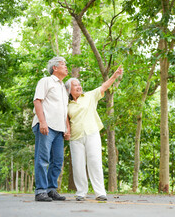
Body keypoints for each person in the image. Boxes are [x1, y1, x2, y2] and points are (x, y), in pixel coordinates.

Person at [65, 65, 123, 201]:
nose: (79, 87)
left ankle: (100, 192)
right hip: (75, 137)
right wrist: (67, 130)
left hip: (91, 134)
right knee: (78, 165)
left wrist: (114, 76)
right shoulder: (67, 104)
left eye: (79, 84)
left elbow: (104, 87)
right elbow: (66, 118)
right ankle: (81, 192)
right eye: (75, 85)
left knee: (95, 162)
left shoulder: (90, 96)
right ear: (69, 90)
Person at [32, 56, 71, 202]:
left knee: (58, 161)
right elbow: (37, 101)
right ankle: (40, 191)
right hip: (46, 126)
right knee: (43, 159)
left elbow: (64, 109)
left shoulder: (62, 87)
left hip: (59, 129)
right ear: (55, 67)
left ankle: (51, 189)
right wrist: (42, 122)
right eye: (63, 64)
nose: (66, 67)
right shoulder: (46, 81)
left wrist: (67, 127)